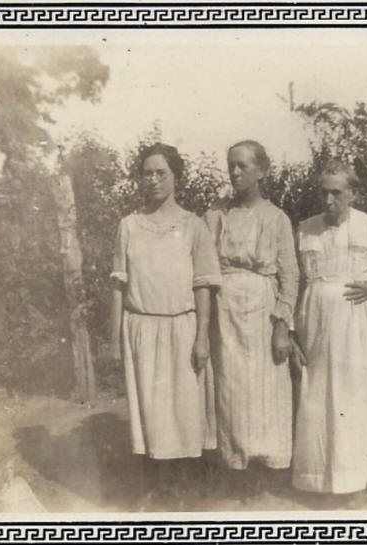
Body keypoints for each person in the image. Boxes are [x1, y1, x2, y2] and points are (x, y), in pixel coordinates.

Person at [110, 143, 221, 507]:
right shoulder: (129, 226)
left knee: (183, 410)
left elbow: (203, 285)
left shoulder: (194, 226)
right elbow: (119, 285)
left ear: (176, 177)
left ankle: (182, 490)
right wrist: (115, 339)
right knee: (149, 412)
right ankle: (152, 488)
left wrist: (202, 337)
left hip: (182, 328)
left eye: (162, 172)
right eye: (147, 173)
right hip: (141, 328)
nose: (153, 180)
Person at [291, 161, 367, 507]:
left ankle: (359, 480)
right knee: (319, 398)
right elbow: (294, 282)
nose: (328, 200)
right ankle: (322, 479)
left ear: (353, 194)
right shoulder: (305, 230)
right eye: (323, 192)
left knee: (357, 397)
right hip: (315, 324)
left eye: (336, 192)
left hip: (359, 323)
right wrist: (293, 330)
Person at [204, 140, 299, 496]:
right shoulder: (216, 215)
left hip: (263, 311)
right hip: (224, 310)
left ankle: (266, 471)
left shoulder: (276, 218)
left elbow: (290, 275)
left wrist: (282, 326)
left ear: (262, 171)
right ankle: (234, 469)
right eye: (231, 165)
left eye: (243, 165)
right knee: (231, 388)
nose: (235, 172)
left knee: (264, 390)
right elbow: (201, 263)